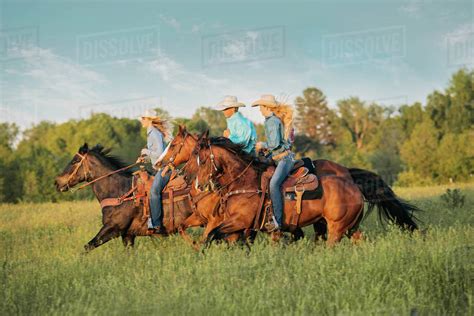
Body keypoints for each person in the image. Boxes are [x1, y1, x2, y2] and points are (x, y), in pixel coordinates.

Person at [252, 94, 295, 232]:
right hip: (280, 157)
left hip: (284, 159)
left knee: (274, 184)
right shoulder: (272, 120)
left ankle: (277, 221)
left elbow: (274, 144)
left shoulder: (272, 121)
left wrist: (261, 145)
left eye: (260, 107)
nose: (259, 110)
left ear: (266, 107)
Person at [137, 109, 173, 232]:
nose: (141, 120)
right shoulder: (151, 132)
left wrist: (145, 151)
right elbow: (155, 157)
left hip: (164, 169)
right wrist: (145, 159)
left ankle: (157, 225)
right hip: (158, 167)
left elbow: (160, 153)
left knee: (154, 192)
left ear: (149, 120)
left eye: (143, 118)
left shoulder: (154, 133)